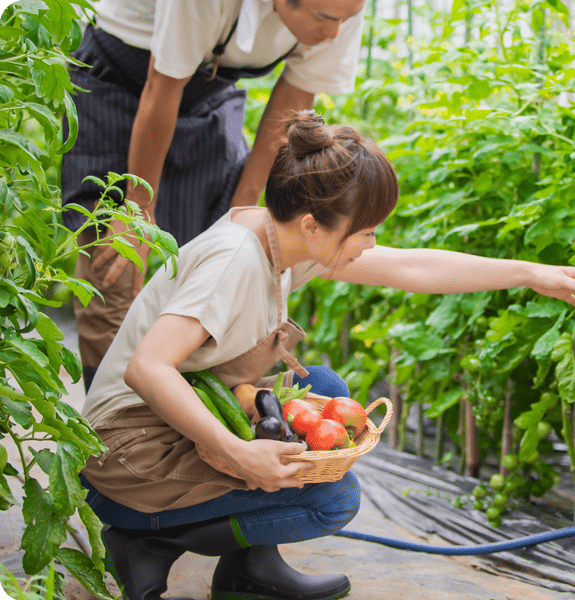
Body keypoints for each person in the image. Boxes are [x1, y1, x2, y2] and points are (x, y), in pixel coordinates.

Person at [78, 112, 575, 600]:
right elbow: (146, 368)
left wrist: (529, 275)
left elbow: (411, 269)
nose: (370, 243)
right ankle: (148, 540)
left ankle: (248, 568)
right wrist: (238, 454)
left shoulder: (284, 236)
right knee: (328, 502)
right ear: (314, 223)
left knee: (327, 390)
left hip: (164, 422)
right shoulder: (236, 261)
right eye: (363, 231)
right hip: (126, 455)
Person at [61, 0, 367, 391]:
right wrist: (137, 207)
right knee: (114, 264)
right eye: (326, 19)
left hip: (207, 96)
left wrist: (244, 206)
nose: (336, 33)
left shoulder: (340, 7)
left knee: (229, 253)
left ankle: (182, 409)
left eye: (347, 19)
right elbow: (161, 84)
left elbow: (291, 104)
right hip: (116, 83)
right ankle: (110, 429)